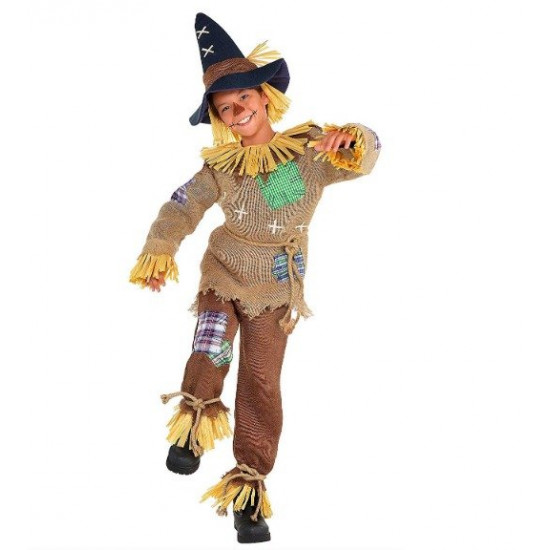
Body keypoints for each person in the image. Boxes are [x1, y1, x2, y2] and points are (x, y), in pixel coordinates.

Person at [129, 12, 381, 544]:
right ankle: (194, 424)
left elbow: (364, 158)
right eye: (225, 107)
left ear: (265, 97)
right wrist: (159, 251)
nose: (237, 110)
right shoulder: (221, 167)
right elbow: (181, 207)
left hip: (276, 290)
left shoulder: (308, 152)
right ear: (218, 118)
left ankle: (248, 486)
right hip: (223, 275)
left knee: (261, 382)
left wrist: (354, 138)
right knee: (212, 347)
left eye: (244, 97)